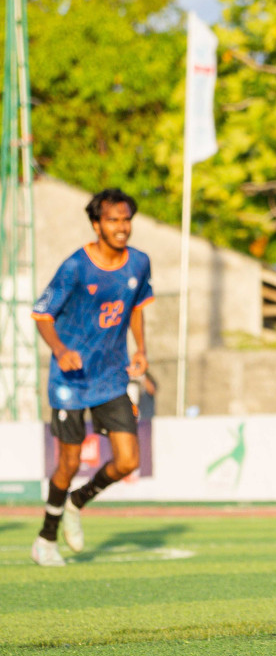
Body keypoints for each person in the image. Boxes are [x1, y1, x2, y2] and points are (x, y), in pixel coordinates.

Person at [29, 188, 154, 567]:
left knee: (128, 461)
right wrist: (60, 350)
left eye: (126, 219)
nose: (122, 227)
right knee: (66, 465)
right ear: (97, 224)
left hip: (111, 378)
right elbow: (42, 314)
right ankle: (45, 540)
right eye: (113, 220)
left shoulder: (139, 263)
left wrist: (141, 349)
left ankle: (78, 502)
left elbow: (136, 307)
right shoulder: (75, 267)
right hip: (70, 382)